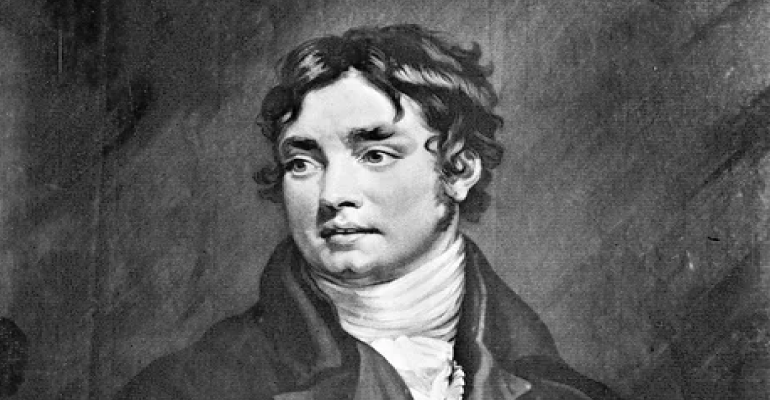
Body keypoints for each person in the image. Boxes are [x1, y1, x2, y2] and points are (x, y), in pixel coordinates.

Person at [116, 24, 622, 400]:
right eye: (302, 163)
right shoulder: (189, 388)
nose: (332, 195)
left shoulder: (563, 394)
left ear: (459, 169)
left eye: (375, 154)